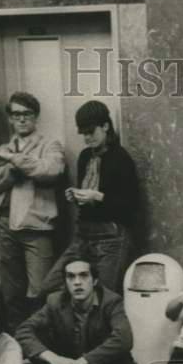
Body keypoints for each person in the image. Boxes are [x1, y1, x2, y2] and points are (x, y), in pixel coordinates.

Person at [15, 250, 134, 364]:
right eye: (71, 277)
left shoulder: (112, 302)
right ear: (65, 283)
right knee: (39, 350)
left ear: (94, 281)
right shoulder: (55, 301)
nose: (77, 282)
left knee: (122, 361)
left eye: (83, 276)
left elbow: (124, 338)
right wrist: (54, 360)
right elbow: (23, 331)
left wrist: (80, 363)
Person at [0, 91, 65, 329]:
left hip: (37, 226)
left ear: (35, 116)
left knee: (41, 291)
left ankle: (41, 342)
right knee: (11, 294)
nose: (22, 119)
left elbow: (51, 170)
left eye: (27, 114)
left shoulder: (50, 144)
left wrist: (13, 160)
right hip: (4, 225)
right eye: (16, 114)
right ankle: (19, 344)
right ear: (10, 118)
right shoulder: (2, 148)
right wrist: (16, 168)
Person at [39, 100, 140, 297]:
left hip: (112, 238)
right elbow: (87, 202)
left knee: (103, 298)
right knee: (48, 289)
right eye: (83, 133)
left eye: (91, 132)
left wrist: (99, 197)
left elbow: (132, 204)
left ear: (105, 126)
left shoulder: (121, 158)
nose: (87, 138)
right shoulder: (85, 156)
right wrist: (76, 196)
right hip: (83, 236)